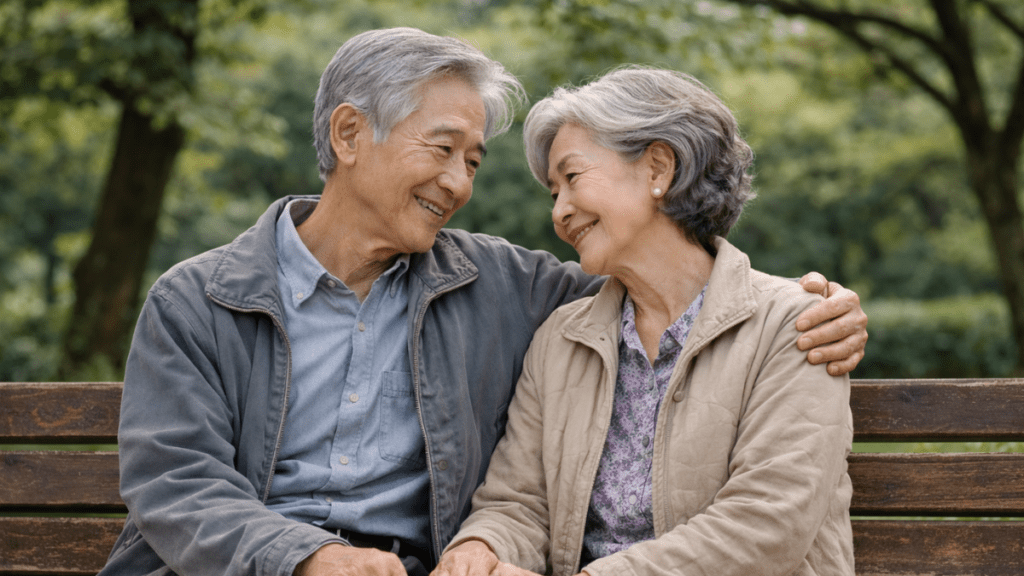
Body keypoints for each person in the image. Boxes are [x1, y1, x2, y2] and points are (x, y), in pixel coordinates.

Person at [98, 29, 866, 576]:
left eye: (473, 160)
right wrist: (307, 559)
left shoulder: (503, 286)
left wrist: (822, 303)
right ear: (349, 133)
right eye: (443, 150)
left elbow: (671, 284)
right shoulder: (199, 300)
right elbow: (175, 481)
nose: (461, 185)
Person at [434, 67, 855, 576]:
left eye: (572, 178)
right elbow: (518, 502)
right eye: (553, 193)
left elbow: (767, 523)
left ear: (658, 168)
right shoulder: (561, 341)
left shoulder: (794, 326)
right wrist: (480, 550)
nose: (560, 211)